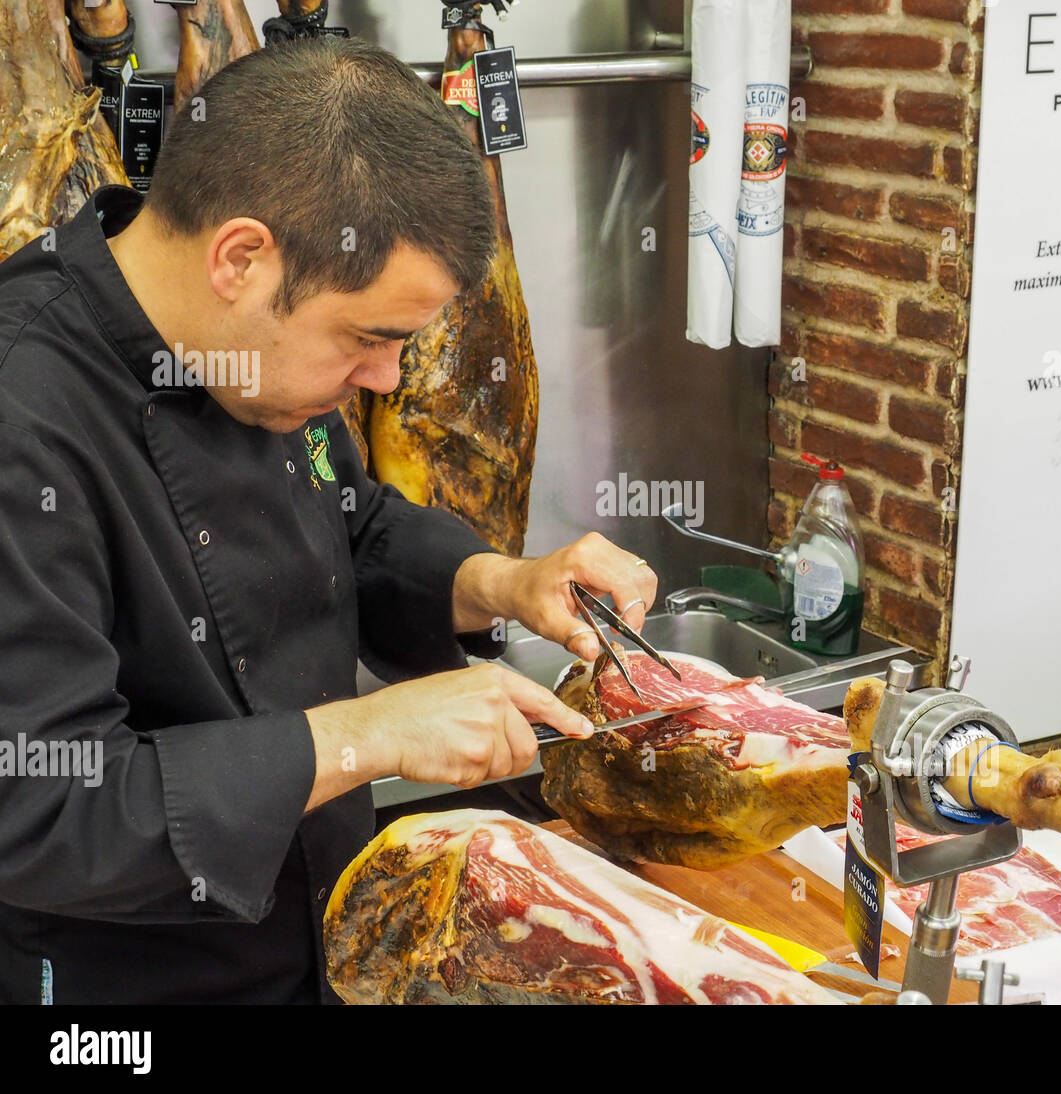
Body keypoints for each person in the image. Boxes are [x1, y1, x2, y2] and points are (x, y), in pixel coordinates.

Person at [0, 36, 654, 1003]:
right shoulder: (25, 411)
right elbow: (43, 804)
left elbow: (349, 526)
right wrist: (370, 736)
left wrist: (503, 583)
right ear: (241, 260)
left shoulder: (256, 368)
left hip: (323, 928)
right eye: (369, 339)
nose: (388, 380)